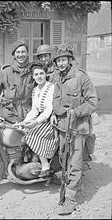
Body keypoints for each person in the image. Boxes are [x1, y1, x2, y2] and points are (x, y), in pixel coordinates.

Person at [50, 42, 98, 215]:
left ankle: (70, 198)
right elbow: (55, 99)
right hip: (63, 127)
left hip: (78, 128)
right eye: (59, 61)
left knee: (75, 161)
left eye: (64, 60)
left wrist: (76, 112)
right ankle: (67, 184)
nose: (61, 63)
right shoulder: (56, 77)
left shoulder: (81, 77)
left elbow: (93, 102)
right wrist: (56, 112)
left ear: (70, 60)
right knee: (64, 159)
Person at [0, 39, 34, 123]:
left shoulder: (33, 71)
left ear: (27, 53)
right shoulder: (6, 71)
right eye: (18, 52)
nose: (20, 55)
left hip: (28, 115)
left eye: (23, 52)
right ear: (14, 54)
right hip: (8, 115)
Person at [21, 63, 58, 177]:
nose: (39, 76)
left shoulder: (50, 87)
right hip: (40, 119)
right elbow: (34, 110)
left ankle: (45, 164)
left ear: (46, 74)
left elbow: (47, 111)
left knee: (32, 135)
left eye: (41, 73)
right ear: (33, 76)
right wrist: (25, 121)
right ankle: (29, 160)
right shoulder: (35, 90)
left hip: (49, 120)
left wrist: (35, 122)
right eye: (36, 74)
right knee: (22, 131)